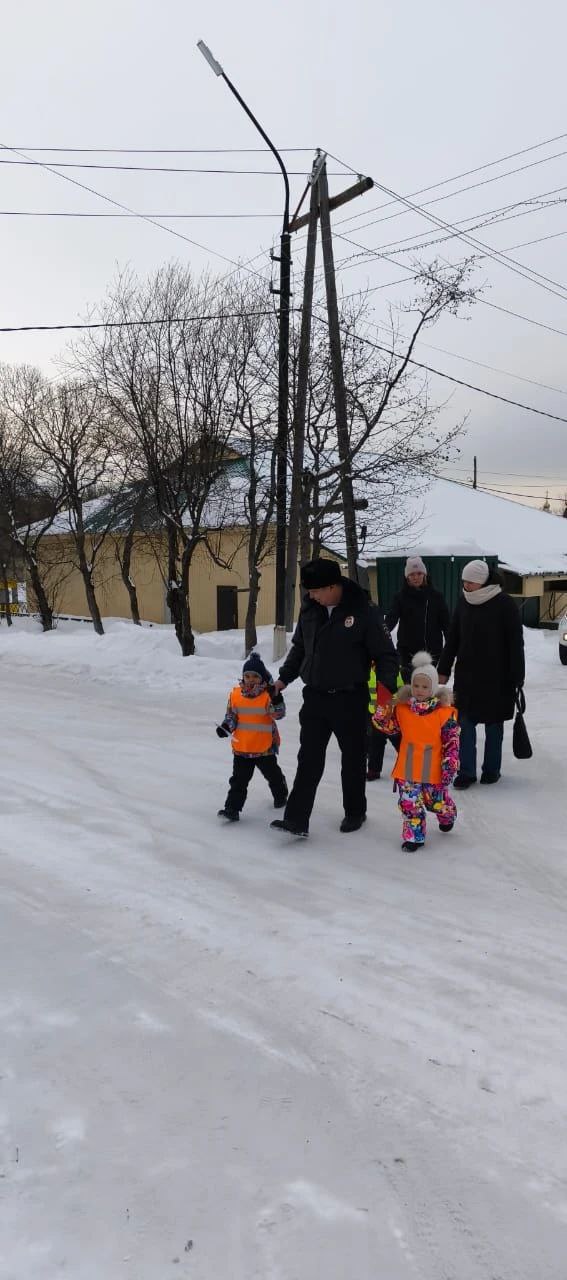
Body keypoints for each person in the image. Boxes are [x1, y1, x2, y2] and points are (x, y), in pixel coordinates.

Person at [270, 558, 398, 838]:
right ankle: (296, 820)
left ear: (332, 586)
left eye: (316, 591)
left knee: (353, 759)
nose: (311, 596)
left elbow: (386, 655)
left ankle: (355, 811)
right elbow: (300, 647)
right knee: (308, 758)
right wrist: (283, 679)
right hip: (315, 697)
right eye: (309, 591)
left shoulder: (363, 611)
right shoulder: (310, 608)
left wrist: (386, 691)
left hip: (350, 698)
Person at [437, 559, 525, 789]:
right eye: (464, 581)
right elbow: (453, 639)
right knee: (464, 726)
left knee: (493, 727)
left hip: (498, 678)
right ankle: (466, 772)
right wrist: (443, 670)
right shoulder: (464, 602)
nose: (466, 586)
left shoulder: (504, 604)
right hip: (467, 677)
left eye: (471, 582)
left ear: (483, 581)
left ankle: (491, 770)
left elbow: (516, 643)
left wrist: (517, 676)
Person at [373, 651, 460, 851]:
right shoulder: (403, 709)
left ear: (433, 688)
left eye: (425, 686)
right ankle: (414, 837)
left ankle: (447, 814)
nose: (420, 690)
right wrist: (381, 716)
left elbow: (452, 742)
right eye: (416, 685)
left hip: (433, 768)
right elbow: (392, 728)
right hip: (408, 767)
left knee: (435, 802)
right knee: (410, 803)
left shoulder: (444, 713)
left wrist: (450, 764)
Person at [216, 652, 287, 821]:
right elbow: (231, 716)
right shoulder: (235, 695)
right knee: (238, 781)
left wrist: (277, 699)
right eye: (247, 676)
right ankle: (232, 809)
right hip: (242, 748)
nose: (250, 680)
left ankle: (281, 794)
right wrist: (226, 727)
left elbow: (278, 715)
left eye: (255, 676)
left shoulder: (267, 695)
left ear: (262, 678)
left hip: (264, 749)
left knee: (273, 776)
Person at [385, 555, 451, 683]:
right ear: (407, 577)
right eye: (412, 574)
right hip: (407, 654)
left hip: (432, 653)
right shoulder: (400, 597)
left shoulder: (437, 597)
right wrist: (380, 637)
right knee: (410, 688)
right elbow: (390, 621)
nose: (416, 577)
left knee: (427, 689)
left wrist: (451, 649)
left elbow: (446, 625)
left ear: (424, 574)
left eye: (419, 573)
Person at [367, 662, 401, 781]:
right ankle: (374, 770)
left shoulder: (393, 668)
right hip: (374, 714)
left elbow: (401, 689)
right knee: (375, 743)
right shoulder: (367, 670)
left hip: (391, 714)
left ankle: (409, 767)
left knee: (398, 740)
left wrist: (391, 702)